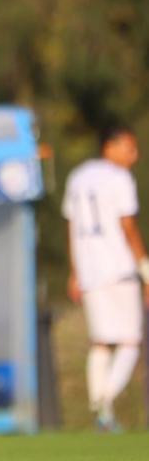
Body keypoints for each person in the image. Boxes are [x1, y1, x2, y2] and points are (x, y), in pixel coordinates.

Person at [63, 125, 148, 432]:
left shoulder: (78, 176)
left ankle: (100, 408)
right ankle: (105, 400)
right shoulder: (119, 177)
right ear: (109, 147)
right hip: (120, 268)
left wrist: (74, 271)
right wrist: (146, 269)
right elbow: (128, 225)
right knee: (130, 341)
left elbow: (71, 227)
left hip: (89, 270)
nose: (134, 156)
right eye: (129, 148)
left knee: (100, 342)